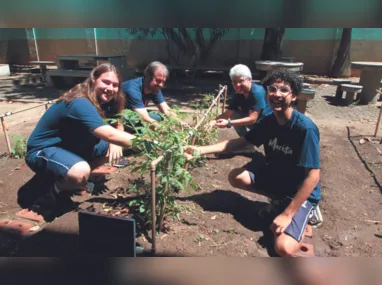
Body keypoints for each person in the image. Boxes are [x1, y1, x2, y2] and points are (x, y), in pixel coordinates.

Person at [185, 69, 323, 257]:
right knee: (237, 177)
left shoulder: (304, 128)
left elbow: (313, 175)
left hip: (300, 191)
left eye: (284, 90)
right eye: (272, 89)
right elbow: (240, 143)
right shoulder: (269, 122)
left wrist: (287, 214)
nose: (276, 94)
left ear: (294, 96)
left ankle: (304, 212)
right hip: (278, 179)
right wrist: (199, 150)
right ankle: (280, 203)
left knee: (283, 248)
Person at [25, 63, 136, 218]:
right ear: (93, 80)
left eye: (115, 85)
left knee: (115, 148)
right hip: (42, 151)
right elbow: (109, 134)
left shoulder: (106, 101)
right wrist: (153, 144)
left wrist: (115, 139)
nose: (110, 88)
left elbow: (118, 122)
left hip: (69, 147)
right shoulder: (80, 102)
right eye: (106, 82)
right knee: (80, 171)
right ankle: (53, 192)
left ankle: (71, 177)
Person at [121, 61, 186, 131]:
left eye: (163, 82)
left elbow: (166, 110)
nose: (161, 85)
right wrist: (164, 130)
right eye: (158, 81)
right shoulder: (132, 89)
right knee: (140, 124)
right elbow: (144, 117)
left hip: (134, 115)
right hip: (118, 117)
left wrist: (182, 123)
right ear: (147, 76)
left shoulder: (154, 88)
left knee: (158, 117)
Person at [215, 64, 272, 137]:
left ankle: (247, 141)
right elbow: (227, 114)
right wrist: (213, 122)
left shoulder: (257, 92)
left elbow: (252, 119)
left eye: (241, 81)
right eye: (234, 82)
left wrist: (229, 123)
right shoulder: (239, 95)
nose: (237, 85)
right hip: (256, 123)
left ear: (250, 79)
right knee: (234, 114)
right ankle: (246, 143)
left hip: (267, 125)